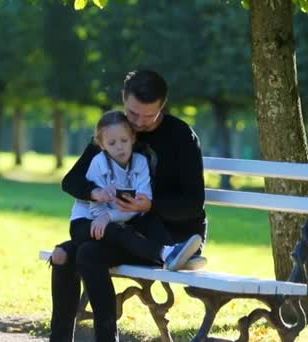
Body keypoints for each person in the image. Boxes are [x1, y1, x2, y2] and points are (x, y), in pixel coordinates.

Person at [49, 70, 208, 342]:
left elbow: (193, 205)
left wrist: (151, 206)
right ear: (124, 98)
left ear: (163, 106)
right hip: (124, 227)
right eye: (133, 114)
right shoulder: (115, 132)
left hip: (173, 237)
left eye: (150, 116)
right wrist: (95, 192)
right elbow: (73, 181)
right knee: (75, 255)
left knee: (82, 253)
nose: (139, 123)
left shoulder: (181, 136)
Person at [68, 110, 200, 271]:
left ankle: (175, 253)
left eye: (124, 140)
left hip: (115, 223)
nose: (119, 147)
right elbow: (95, 209)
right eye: (112, 143)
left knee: (142, 224)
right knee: (118, 231)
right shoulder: (98, 163)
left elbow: (138, 206)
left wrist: (111, 216)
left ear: (133, 138)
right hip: (90, 223)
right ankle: (166, 254)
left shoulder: (140, 162)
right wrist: (100, 200)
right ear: (102, 145)